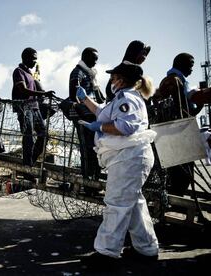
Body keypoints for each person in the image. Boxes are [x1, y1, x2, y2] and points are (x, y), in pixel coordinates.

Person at [78, 62, 159, 268]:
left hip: (129, 158)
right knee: (134, 205)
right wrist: (85, 99)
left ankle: (106, 253)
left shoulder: (127, 98)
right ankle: (147, 248)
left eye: (113, 77)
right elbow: (102, 112)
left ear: (121, 79)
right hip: (129, 157)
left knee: (116, 204)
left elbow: (125, 126)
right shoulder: (123, 98)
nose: (111, 80)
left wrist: (99, 127)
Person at [154, 53, 203, 196]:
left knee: (179, 175)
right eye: (191, 65)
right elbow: (179, 112)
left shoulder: (173, 80)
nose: (192, 69)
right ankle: (176, 203)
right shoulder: (174, 81)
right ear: (181, 64)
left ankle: (176, 201)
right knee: (181, 174)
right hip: (177, 134)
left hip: (173, 133)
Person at [12, 47, 54, 166]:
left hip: (35, 108)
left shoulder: (30, 74)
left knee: (44, 135)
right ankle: (27, 165)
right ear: (26, 58)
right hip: (25, 108)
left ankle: (31, 161)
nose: (35, 62)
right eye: (33, 59)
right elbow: (23, 90)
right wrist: (43, 94)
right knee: (28, 137)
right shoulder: (18, 71)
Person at [69, 47, 104, 181]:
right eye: (94, 59)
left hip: (94, 115)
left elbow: (100, 97)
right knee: (87, 147)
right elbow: (73, 94)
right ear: (85, 57)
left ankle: (95, 177)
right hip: (84, 116)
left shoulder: (90, 75)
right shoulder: (77, 72)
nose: (96, 62)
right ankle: (87, 180)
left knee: (95, 147)